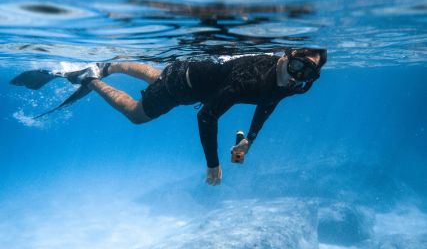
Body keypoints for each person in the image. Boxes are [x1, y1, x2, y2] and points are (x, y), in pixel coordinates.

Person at [11, 48, 326, 185]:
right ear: (287, 55)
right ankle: (89, 78)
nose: (297, 77)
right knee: (136, 114)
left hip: (186, 71)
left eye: (307, 75)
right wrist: (213, 165)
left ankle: (108, 66)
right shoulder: (254, 78)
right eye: (298, 66)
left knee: (155, 74)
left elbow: (267, 105)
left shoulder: (289, 84)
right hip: (183, 86)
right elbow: (206, 117)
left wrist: (250, 141)